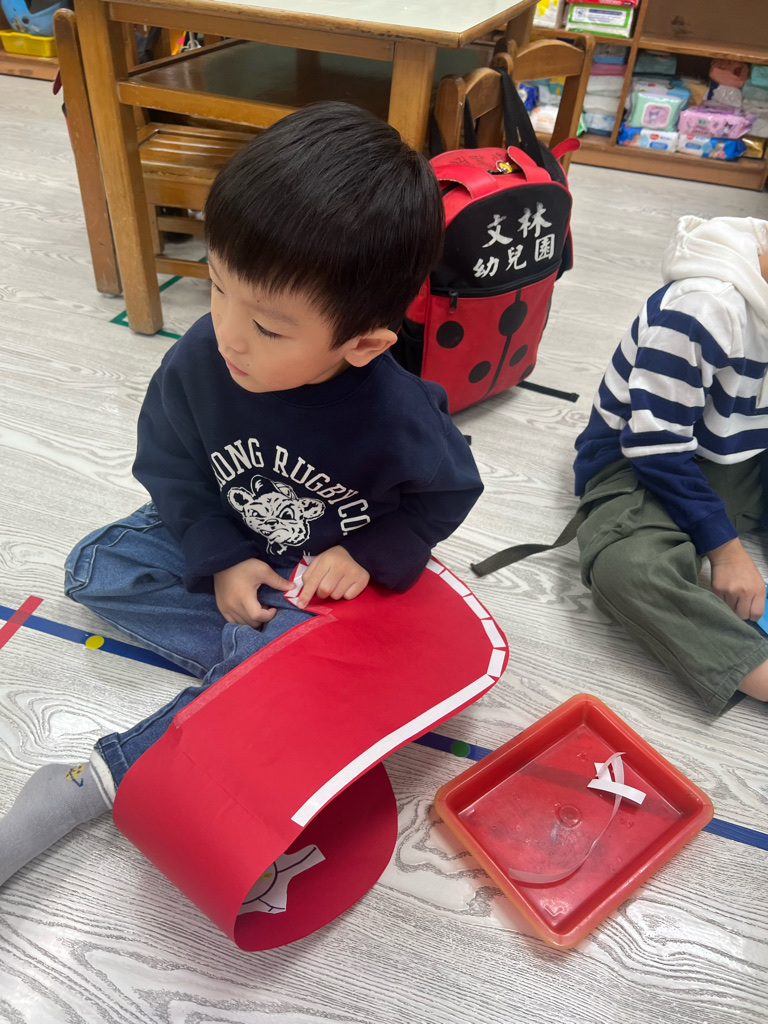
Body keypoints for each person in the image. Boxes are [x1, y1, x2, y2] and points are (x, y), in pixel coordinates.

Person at [0, 103, 483, 890]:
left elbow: (451, 492)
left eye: (269, 326)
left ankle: (98, 780)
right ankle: (263, 674)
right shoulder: (203, 357)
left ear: (363, 343)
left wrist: (366, 553)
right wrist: (221, 555)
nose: (228, 332)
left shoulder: (398, 417)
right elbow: (169, 463)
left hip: (313, 590)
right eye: (218, 288)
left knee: (287, 645)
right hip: (238, 549)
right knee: (93, 569)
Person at [574, 214, 768, 713]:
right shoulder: (706, 306)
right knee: (627, 569)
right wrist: (726, 551)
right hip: (644, 458)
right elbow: (655, 444)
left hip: (741, 450)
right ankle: (750, 666)